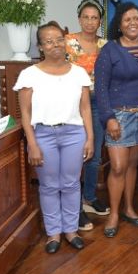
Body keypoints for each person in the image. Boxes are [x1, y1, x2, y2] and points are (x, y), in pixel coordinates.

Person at [15, 21, 93, 253]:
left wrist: (90, 138)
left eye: (59, 39)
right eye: (49, 41)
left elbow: (86, 109)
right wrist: (32, 143)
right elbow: (25, 113)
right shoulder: (29, 74)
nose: (55, 45)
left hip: (74, 134)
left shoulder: (79, 73)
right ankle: (53, 234)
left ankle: (71, 230)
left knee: (71, 184)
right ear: (40, 46)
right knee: (49, 186)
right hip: (43, 135)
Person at [95, 2, 138, 238]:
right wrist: (109, 118)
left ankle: (129, 209)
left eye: (136, 18)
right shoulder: (110, 50)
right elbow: (101, 88)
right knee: (118, 167)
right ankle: (113, 214)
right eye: (127, 19)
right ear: (119, 25)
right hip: (118, 116)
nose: (133, 23)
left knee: (132, 165)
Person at [65, 0, 110, 233]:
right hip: (73, 104)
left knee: (94, 154)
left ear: (100, 21)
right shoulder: (67, 42)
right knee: (75, 155)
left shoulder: (106, 45)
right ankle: (74, 206)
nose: (90, 22)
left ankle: (89, 197)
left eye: (95, 18)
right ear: (79, 19)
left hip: (97, 103)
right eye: (86, 17)